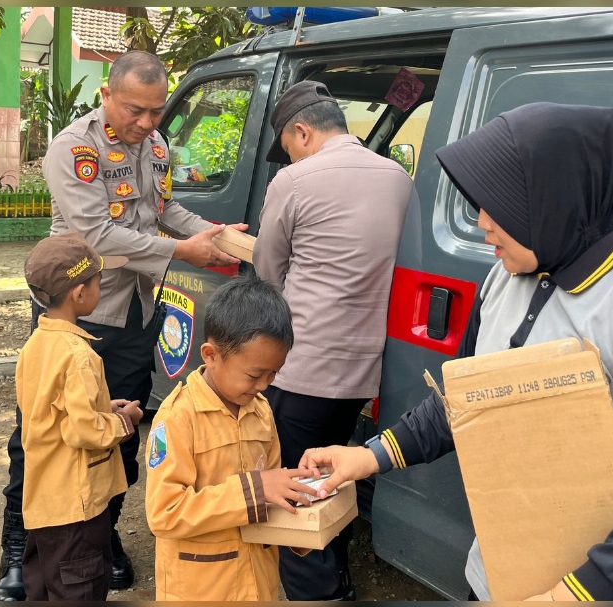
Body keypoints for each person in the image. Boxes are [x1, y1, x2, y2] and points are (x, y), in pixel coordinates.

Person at [298, 102, 613, 601]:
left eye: (500, 204)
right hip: (501, 576)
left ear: (555, 202)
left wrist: (573, 595)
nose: (481, 222)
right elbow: (467, 401)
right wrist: (365, 459)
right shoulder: (507, 274)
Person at [0, 50, 242, 600]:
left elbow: (166, 212)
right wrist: (184, 252)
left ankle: (101, 536)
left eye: (157, 111)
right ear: (107, 95)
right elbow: (96, 237)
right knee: (42, 432)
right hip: (77, 311)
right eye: (136, 110)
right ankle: (20, 546)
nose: (149, 123)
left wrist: (217, 234)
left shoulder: (155, 147)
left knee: (123, 423)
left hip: (138, 311)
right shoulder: (74, 148)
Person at [252, 80, 416, 601]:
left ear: (301, 131)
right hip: (363, 368)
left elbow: (268, 273)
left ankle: (317, 592)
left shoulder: (295, 181)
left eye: (289, 145)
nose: (290, 156)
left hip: (303, 366)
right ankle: (337, 570)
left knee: (294, 486)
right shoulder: (398, 177)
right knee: (335, 468)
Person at [144, 274, 321, 601]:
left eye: (274, 373)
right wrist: (255, 490)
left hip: (257, 582)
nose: (265, 384)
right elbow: (164, 513)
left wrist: (302, 516)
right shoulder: (178, 418)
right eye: (255, 374)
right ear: (211, 355)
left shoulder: (262, 411)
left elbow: (272, 491)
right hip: (203, 589)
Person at [17, 232, 144, 600]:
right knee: (81, 589)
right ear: (79, 293)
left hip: (44, 499)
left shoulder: (36, 345)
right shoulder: (80, 355)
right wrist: (124, 421)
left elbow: (49, 413)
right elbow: (85, 431)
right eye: (99, 281)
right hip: (78, 507)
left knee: (45, 586)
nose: (101, 289)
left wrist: (104, 409)